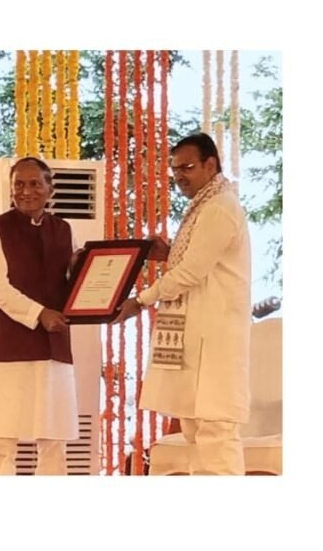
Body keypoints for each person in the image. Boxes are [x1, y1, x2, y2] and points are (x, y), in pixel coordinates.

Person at [115, 133, 251, 475]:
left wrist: (140, 301)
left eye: (187, 167)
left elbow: (191, 271)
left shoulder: (219, 207)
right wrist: (170, 253)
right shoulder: (204, 205)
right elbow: (196, 262)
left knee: (216, 434)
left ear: (211, 164)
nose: (179, 176)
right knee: (196, 432)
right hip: (196, 339)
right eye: (175, 170)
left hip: (214, 339)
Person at [0, 156, 78, 475]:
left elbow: (74, 283)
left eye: (35, 183)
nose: (26, 191)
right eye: (19, 184)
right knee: (2, 442)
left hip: (53, 347)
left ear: (50, 189)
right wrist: (39, 313)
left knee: (53, 441)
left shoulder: (63, 229)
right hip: (8, 347)